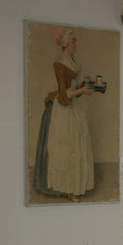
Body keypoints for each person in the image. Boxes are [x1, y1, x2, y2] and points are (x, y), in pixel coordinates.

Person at [33, 28, 96, 203]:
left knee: (77, 145)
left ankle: (75, 186)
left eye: (76, 41)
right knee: (65, 148)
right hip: (62, 110)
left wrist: (86, 87)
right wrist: (81, 90)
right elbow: (63, 95)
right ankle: (67, 188)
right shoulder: (59, 64)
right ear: (66, 43)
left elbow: (74, 88)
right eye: (73, 41)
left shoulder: (74, 60)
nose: (76, 44)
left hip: (73, 107)